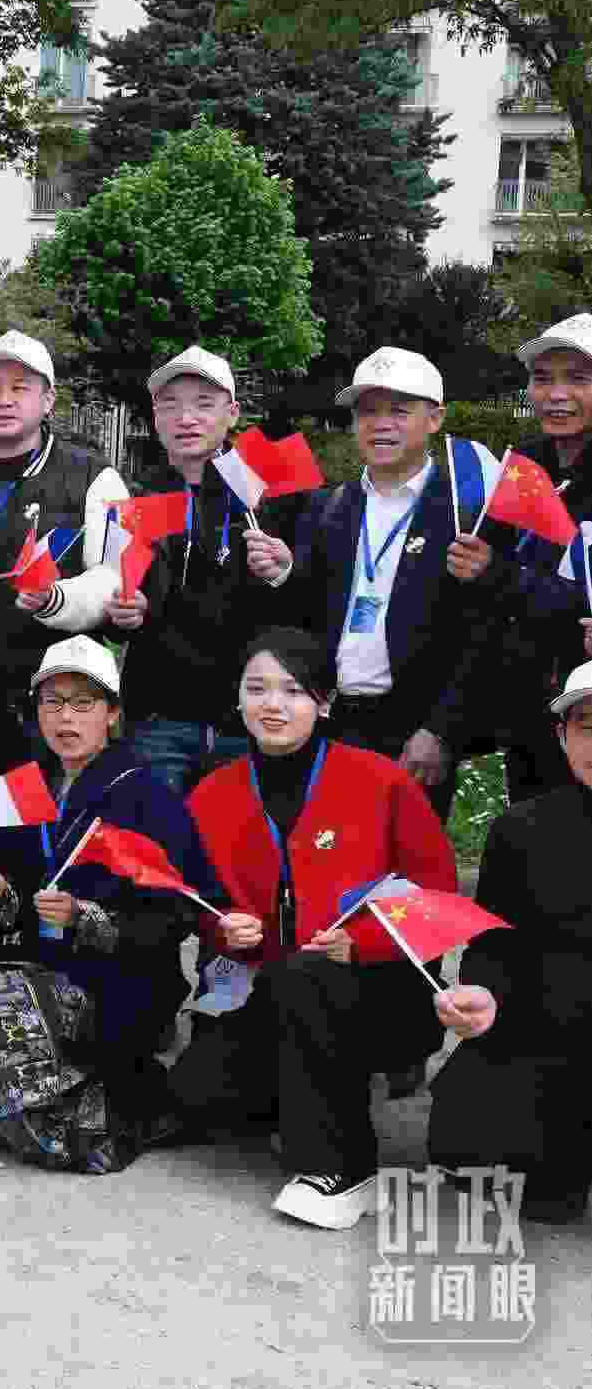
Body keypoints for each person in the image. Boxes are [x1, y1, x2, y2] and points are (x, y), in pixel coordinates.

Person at [0, 637, 223, 1171]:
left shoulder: (148, 796)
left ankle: (76, 1112)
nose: (66, 718)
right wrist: (1, 892)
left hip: (121, 983)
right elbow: (20, 903)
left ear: (112, 714)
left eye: (83, 703)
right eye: (53, 702)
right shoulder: (33, 786)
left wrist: (85, 918)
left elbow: (176, 914)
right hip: (42, 965)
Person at [170, 628, 456, 1229]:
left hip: (380, 988)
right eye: (257, 689)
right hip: (263, 990)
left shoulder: (383, 782)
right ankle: (294, 1097)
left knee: (306, 977)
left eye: (294, 690)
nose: (273, 705)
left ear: (325, 703)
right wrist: (223, 929)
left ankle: (343, 1167)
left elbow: (439, 903)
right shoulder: (212, 794)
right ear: (238, 699)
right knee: (199, 1095)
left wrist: (363, 944)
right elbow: (197, 903)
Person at [271, 346, 499, 816]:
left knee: (408, 856)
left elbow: (483, 632)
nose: (381, 424)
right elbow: (306, 615)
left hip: (415, 730)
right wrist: (282, 575)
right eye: (368, 412)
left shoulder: (465, 511)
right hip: (333, 720)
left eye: (399, 410)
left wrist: (441, 730)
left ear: (434, 418)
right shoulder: (329, 506)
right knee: (330, 846)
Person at [428, 660, 592, 1226]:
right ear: (562, 736)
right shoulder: (522, 829)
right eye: (588, 726)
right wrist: (484, 993)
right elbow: (494, 944)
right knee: (468, 1149)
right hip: (550, 1023)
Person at [0, 331, 127, 780]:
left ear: (48, 399)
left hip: (52, 702)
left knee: (43, 818)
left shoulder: (95, 476)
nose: (4, 400)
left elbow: (115, 576)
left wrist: (58, 599)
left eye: (20, 388)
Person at [111, 348, 300, 793]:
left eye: (203, 404)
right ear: (155, 416)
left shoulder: (274, 490)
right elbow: (116, 608)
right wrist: (123, 615)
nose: (186, 418)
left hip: (249, 715)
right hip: (157, 717)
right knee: (157, 834)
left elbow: (312, 600)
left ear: (232, 413)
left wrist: (284, 572)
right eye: (170, 405)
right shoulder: (136, 494)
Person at [485, 315, 592, 804]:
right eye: (543, 379)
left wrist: (494, 572)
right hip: (527, 705)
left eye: (578, 379)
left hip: (584, 703)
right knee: (534, 834)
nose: (556, 394)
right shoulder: (524, 464)